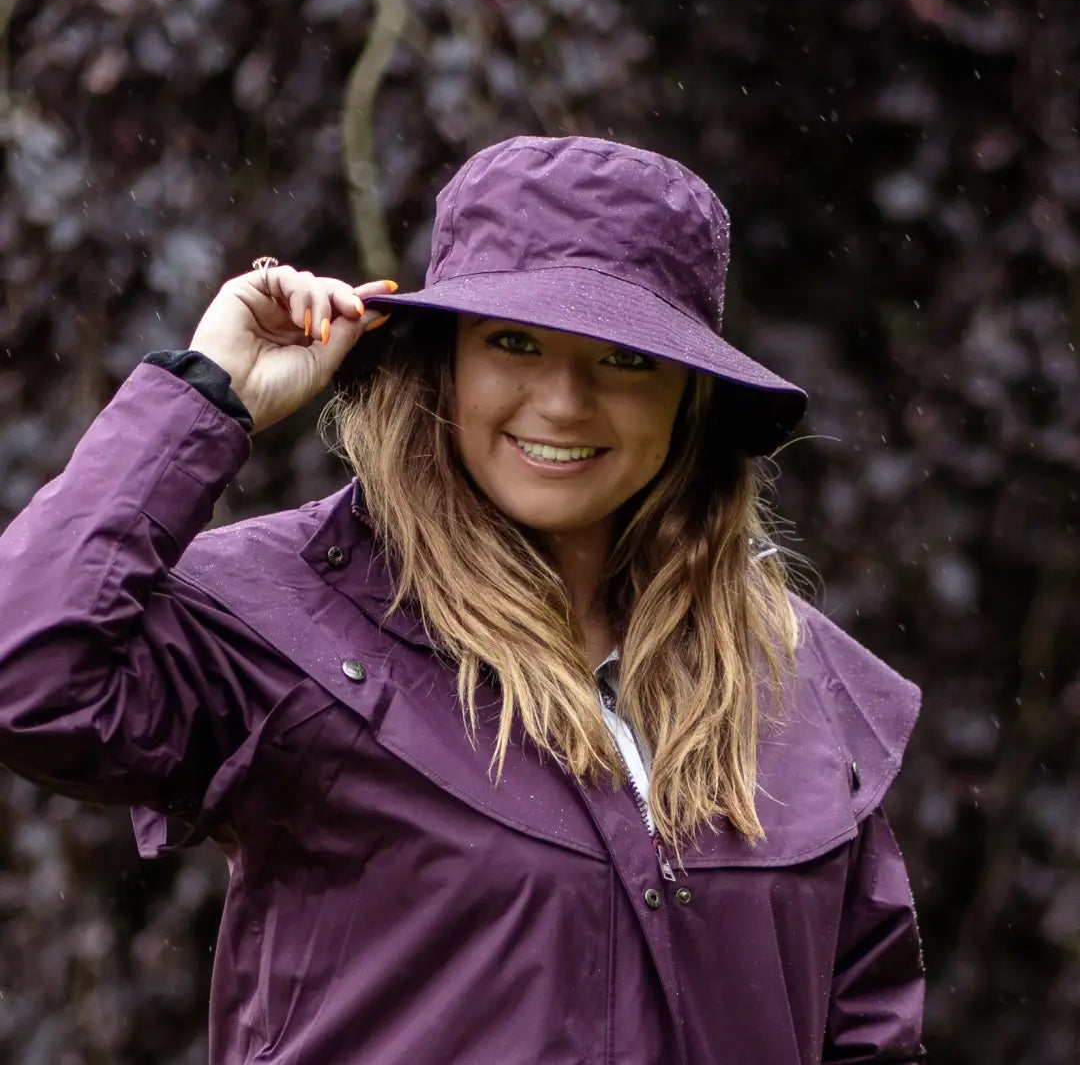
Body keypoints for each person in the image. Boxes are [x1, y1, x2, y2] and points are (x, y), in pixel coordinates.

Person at [0, 135, 925, 1064]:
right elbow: (27, 673)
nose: (563, 402)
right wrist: (205, 397)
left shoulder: (793, 681)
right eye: (514, 344)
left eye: (625, 359)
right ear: (445, 362)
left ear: (690, 396)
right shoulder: (284, 617)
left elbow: (869, 1030)